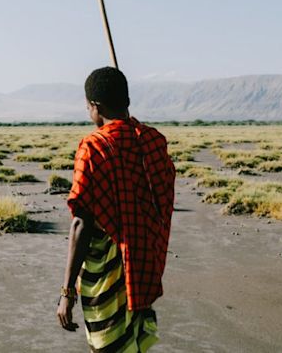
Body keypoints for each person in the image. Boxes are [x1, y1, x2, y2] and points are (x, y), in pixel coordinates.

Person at [56, 67, 176, 352]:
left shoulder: (93, 147)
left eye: (88, 107)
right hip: (144, 262)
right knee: (132, 343)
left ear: (96, 106)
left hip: (109, 272)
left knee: (110, 345)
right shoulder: (152, 140)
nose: (88, 113)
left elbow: (80, 224)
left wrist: (67, 291)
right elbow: (161, 196)